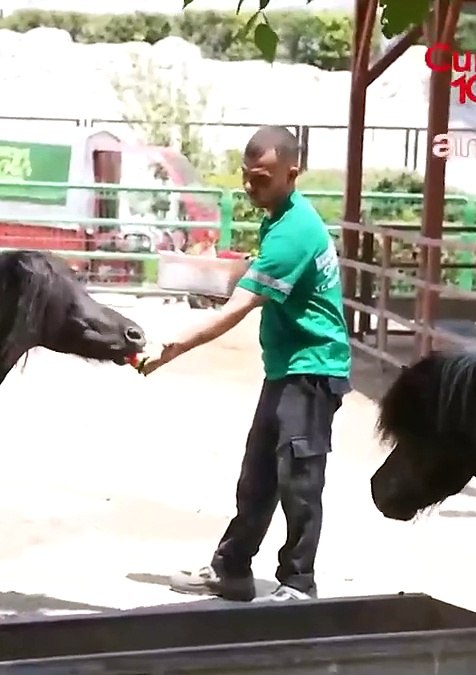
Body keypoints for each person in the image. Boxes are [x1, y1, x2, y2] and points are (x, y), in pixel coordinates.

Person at [138, 125, 352, 602]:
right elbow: (249, 273)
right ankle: (232, 568)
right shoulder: (277, 217)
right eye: (246, 177)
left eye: (261, 178)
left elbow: (237, 307)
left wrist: (172, 347)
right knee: (257, 474)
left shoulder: (295, 231)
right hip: (285, 366)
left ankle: (298, 583)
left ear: (291, 174)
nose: (250, 188)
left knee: (299, 480)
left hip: (314, 368)